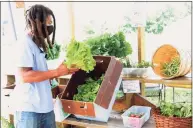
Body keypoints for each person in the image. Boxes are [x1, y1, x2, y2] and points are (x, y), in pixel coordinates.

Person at [10, 4, 79, 128]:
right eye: (48, 23)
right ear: (37, 23)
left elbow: (40, 73)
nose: (50, 27)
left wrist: (63, 70)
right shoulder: (25, 43)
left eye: (51, 23)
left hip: (46, 108)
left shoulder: (38, 44)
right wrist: (57, 72)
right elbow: (25, 76)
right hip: (29, 110)